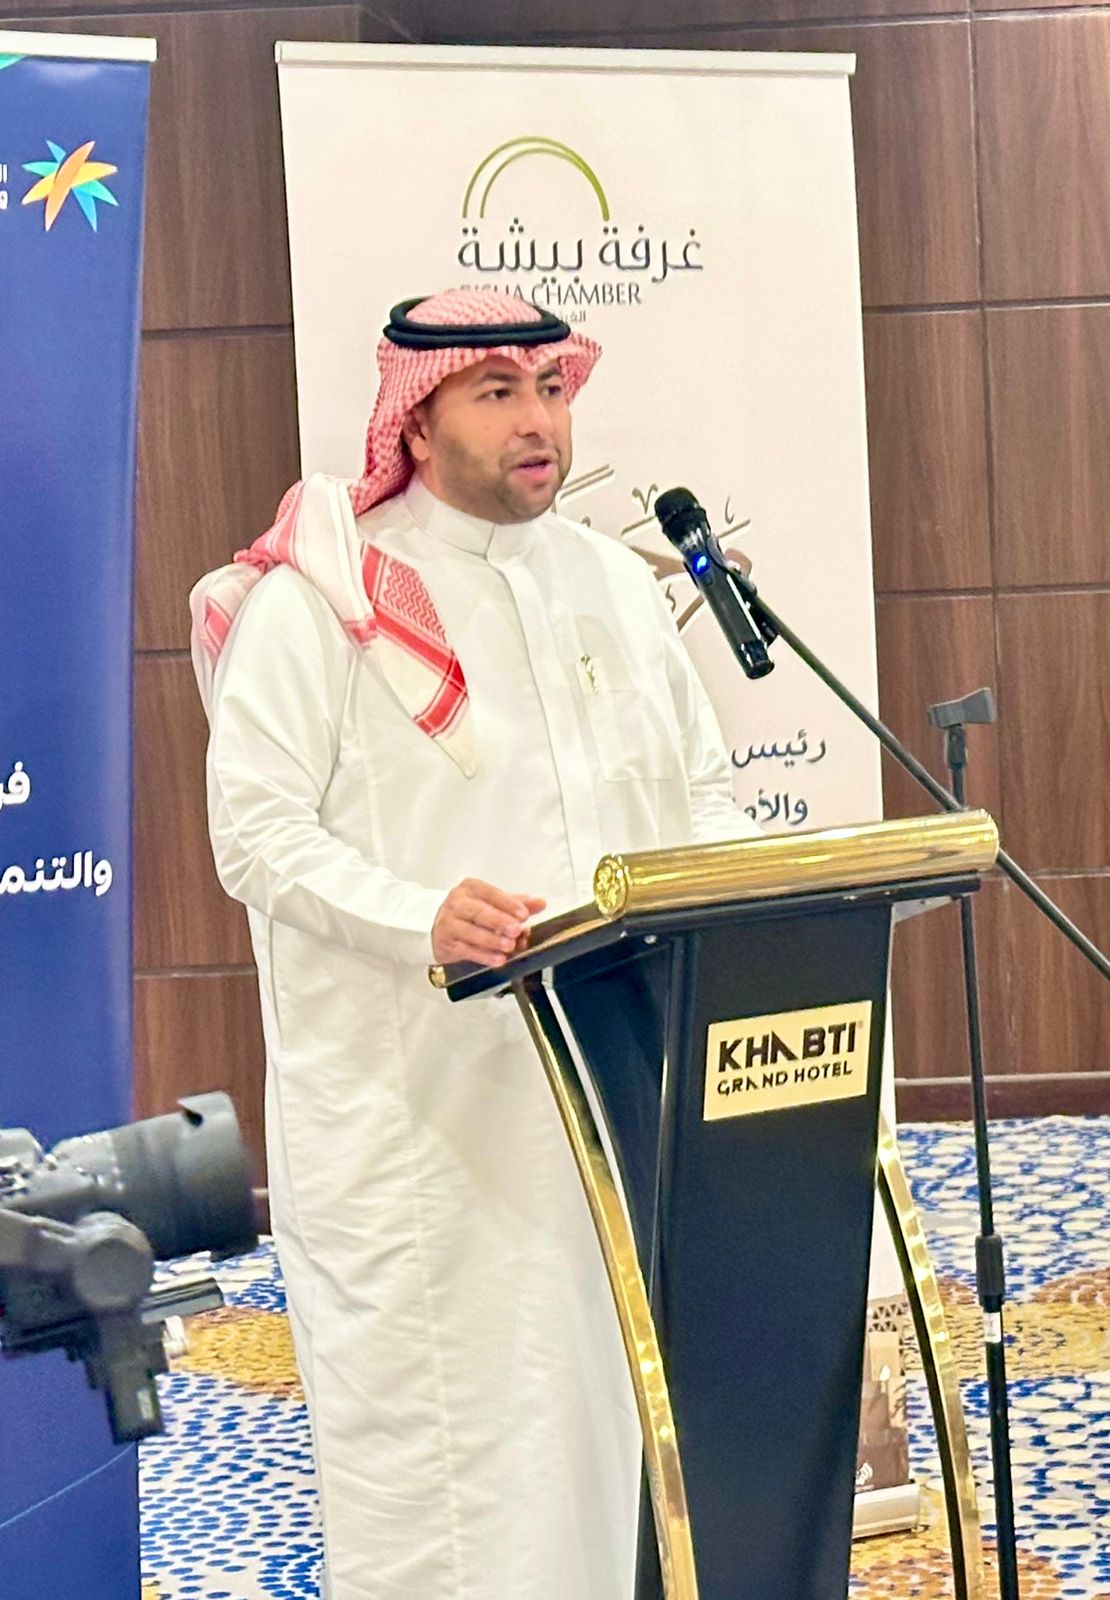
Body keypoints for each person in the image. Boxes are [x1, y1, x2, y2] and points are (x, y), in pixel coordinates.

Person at [189, 288, 758, 1600]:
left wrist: (743, 895)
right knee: (457, 1464)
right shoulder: (322, 602)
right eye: (496, 393)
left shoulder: (615, 587)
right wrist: (420, 918)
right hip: (426, 1122)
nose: (535, 420)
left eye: (549, 389)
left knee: (617, 1430)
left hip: (618, 1090)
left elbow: (701, 793)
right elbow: (255, 836)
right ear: (414, 419)